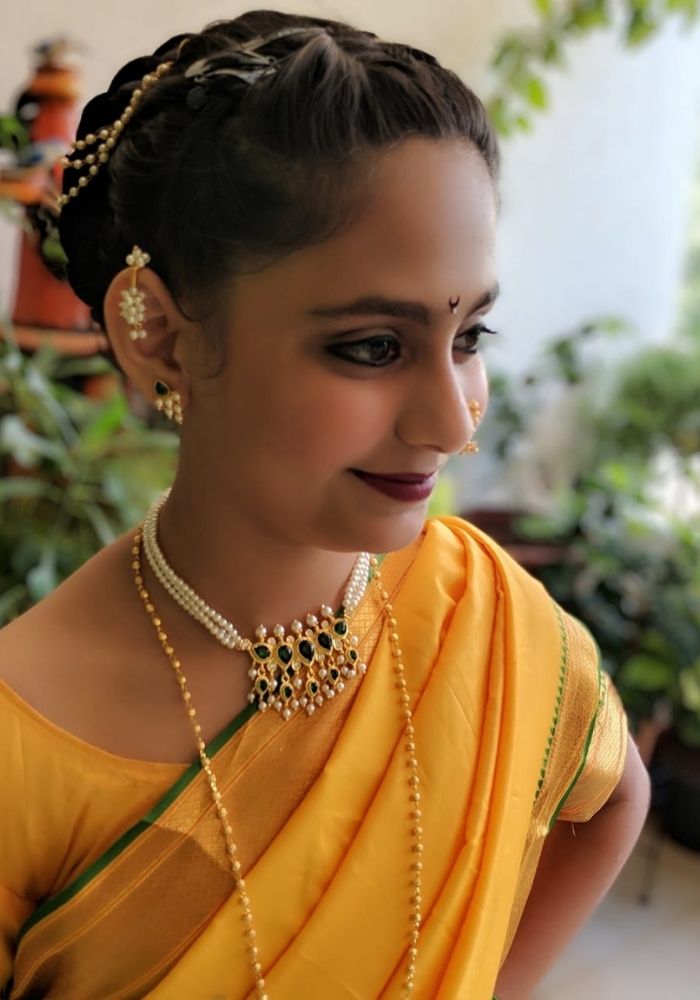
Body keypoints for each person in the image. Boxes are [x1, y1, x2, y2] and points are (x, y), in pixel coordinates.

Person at [0, 10, 650, 999]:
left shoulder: (480, 608)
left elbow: (609, 802)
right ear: (161, 338)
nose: (452, 422)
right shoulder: (26, 734)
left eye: (469, 337)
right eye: (373, 347)